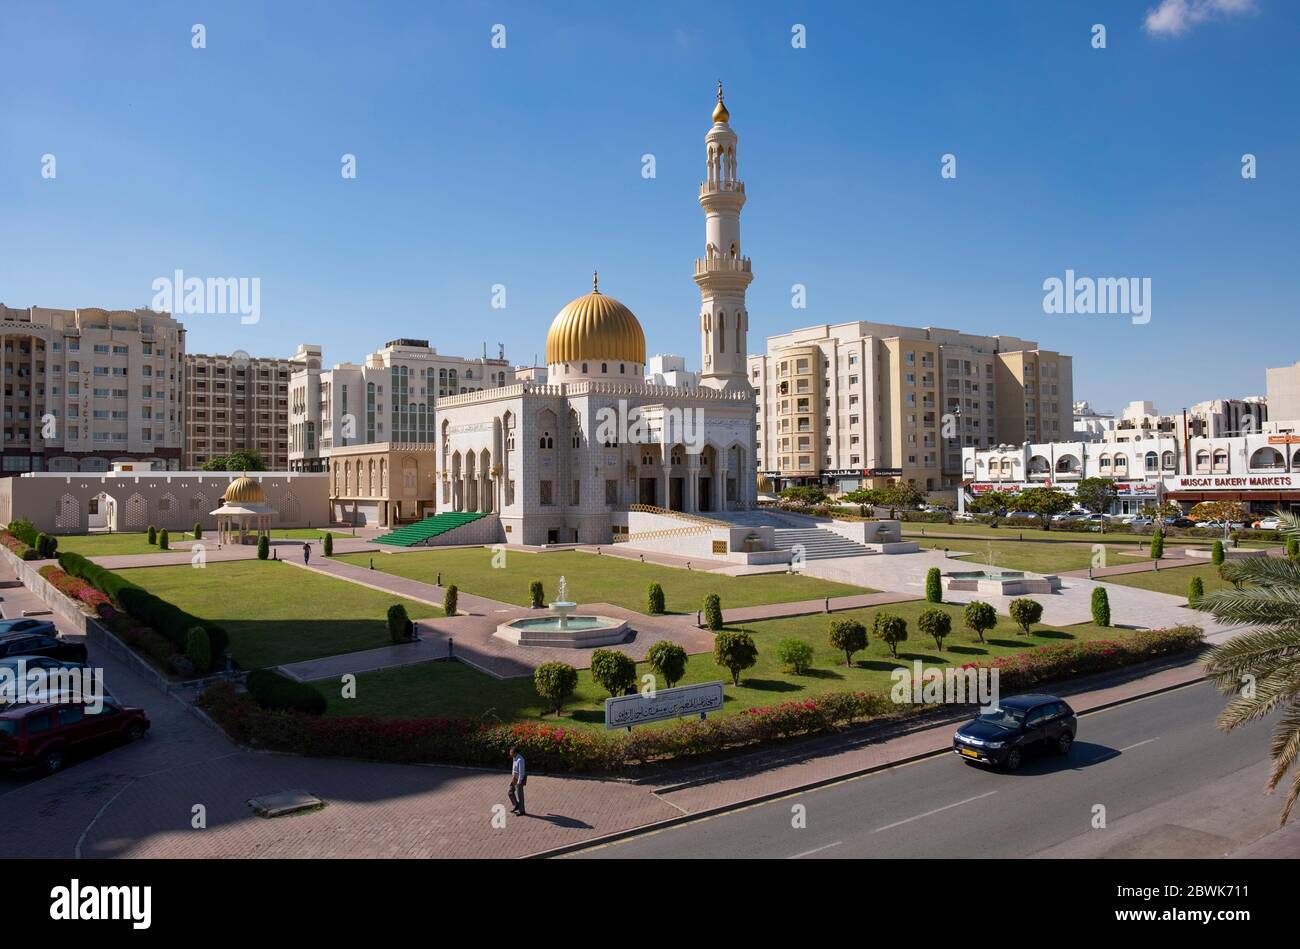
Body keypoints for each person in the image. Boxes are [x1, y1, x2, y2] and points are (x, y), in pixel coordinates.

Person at [508, 746, 526, 816]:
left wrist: (519, 782)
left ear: (515, 753)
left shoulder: (520, 760)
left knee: (520, 795)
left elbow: (521, 772)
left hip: (519, 779)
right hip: (515, 777)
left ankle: (522, 811)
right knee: (510, 792)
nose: (510, 753)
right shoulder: (514, 758)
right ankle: (516, 805)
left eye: (511, 752)